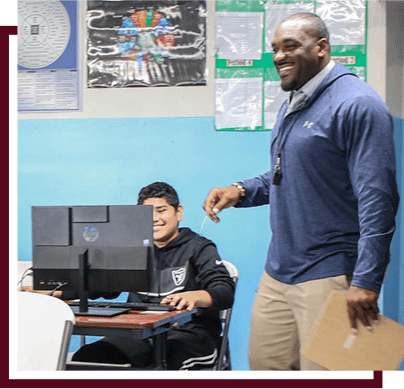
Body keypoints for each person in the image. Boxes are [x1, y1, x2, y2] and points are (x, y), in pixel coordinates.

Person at [203, 13, 399, 371]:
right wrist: (240, 190)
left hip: (332, 274)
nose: (278, 56)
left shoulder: (357, 104)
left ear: (321, 48)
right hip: (278, 271)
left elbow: (379, 200)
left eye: (290, 46)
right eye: (275, 49)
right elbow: (287, 173)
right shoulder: (295, 100)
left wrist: (367, 280)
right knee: (265, 368)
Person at [71, 182, 235, 370]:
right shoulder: (133, 251)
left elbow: (225, 290)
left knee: (161, 366)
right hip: (141, 334)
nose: (155, 218)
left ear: (178, 212)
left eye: (161, 210)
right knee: (88, 357)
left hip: (189, 336)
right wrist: (53, 292)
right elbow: (98, 287)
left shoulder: (199, 248)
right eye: (148, 213)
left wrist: (195, 296)